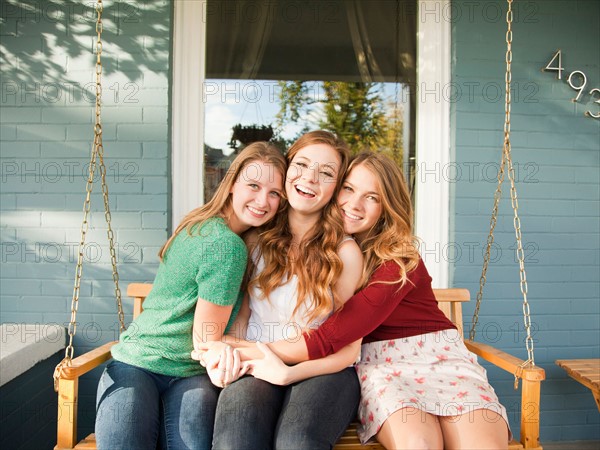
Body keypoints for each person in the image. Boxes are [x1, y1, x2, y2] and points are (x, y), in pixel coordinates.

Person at [222, 152, 511, 449]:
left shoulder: (397, 260)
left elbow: (331, 336)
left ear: (386, 207)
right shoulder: (326, 248)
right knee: (419, 445)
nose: (354, 205)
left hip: (439, 359)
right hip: (382, 366)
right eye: (348, 189)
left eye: (371, 197)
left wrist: (242, 351)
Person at [94, 142, 286, 450]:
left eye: (274, 193)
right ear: (232, 183)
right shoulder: (226, 246)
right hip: (140, 363)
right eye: (254, 185)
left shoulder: (200, 222)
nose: (263, 200)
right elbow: (206, 340)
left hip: (189, 375)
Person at [207, 130, 364, 450]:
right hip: (255, 362)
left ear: (336, 188)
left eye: (326, 173)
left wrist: (288, 373)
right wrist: (228, 358)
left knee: (296, 441)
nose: (310, 178)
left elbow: (349, 349)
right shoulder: (255, 240)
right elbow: (243, 315)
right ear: (287, 168)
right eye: (302, 165)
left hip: (325, 371)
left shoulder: (344, 253)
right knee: (235, 439)